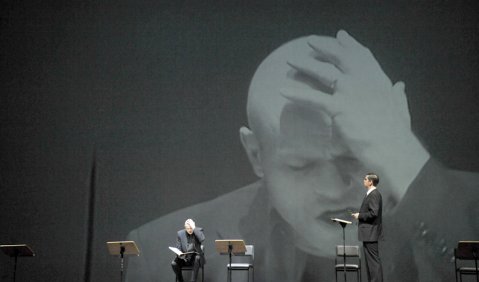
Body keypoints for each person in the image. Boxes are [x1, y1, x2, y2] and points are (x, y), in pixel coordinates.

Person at [126, 31, 479, 281]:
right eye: (300, 164)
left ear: (399, 129)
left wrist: (404, 157)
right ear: (256, 155)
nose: (334, 188)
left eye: (356, 155)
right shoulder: (166, 258)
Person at [352, 173, 383, 282]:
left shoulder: (374, 194)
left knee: (373, 263)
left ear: (370, 182)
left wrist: (359, 215)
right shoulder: (371, 194)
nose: (363, 181)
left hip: (371, 233)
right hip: (368, 233)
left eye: (365, 179)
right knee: (370, 264)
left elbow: (374, 213)